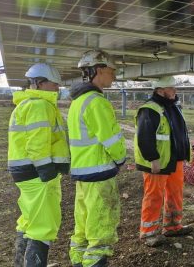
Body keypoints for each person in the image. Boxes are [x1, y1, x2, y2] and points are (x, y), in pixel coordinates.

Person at [67, 50, 126, 267]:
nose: (114, 76)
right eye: (111, 71)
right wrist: (120, 159)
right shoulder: (97, 102)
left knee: (82, 226)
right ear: (99, 70)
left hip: (83, 173)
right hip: (99, 174)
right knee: (101, 228)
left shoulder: (77, 102)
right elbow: (110, 139)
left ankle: (77, 262)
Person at [8, 63, 69, 267]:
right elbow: (37, 144)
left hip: (24, 172)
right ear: (40, 83)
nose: (57, 88)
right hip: (36, 173)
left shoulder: (25, 104)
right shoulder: (39, 105)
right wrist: (47, 171)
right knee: (43, 225)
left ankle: (21, 263)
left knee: (29, 219)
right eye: (54, 84)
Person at [134, 76, 193, 247]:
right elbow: (144, 137)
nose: (175, 90)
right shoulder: (149, 109)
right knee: (154, 196)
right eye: (171, 88)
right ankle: (148, 232)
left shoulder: (173, 106)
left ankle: (173, 226)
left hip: (175, 160)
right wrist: (153, 158)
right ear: (160, 90)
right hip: (158, 162)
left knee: (175, 193)